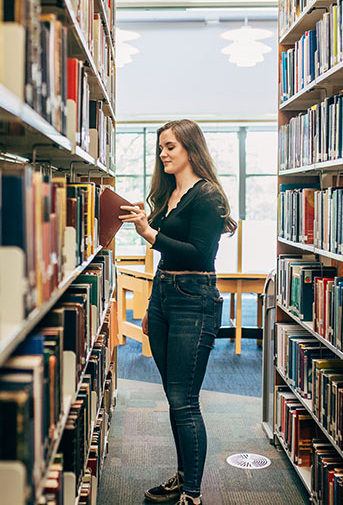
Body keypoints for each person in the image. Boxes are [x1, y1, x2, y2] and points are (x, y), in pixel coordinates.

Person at [119, 119, 236, 505]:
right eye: (161, 147)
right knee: (174, 397)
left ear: (190, 148)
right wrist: (145, 219)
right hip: (165, 296)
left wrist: (149, 234)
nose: (163, 153)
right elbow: (168, 247)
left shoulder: (208, 196)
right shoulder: (170, 193)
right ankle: (184, 475)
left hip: (193, 300)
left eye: (170, 146)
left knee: (185, 400)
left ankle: (193, 494)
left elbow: (198, 253)